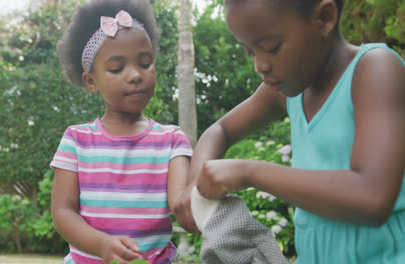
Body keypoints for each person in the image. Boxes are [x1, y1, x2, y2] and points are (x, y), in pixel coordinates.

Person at [177, 0, 405, 263]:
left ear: (324, 18)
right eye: (250, 52)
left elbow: (372, 198)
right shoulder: (288, 91)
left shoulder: (376, 69)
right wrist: (195, 181)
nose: (260, 65)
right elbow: (220, 129)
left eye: (271, 48)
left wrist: (248, 171)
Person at [50, 1, 193, 263]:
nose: (136, 75)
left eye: (146, 63)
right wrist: (101, 244)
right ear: (91, 81)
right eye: (117, 68)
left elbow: (181, 203)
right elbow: (62, 211)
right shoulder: (76, 141)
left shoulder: (172, 141)